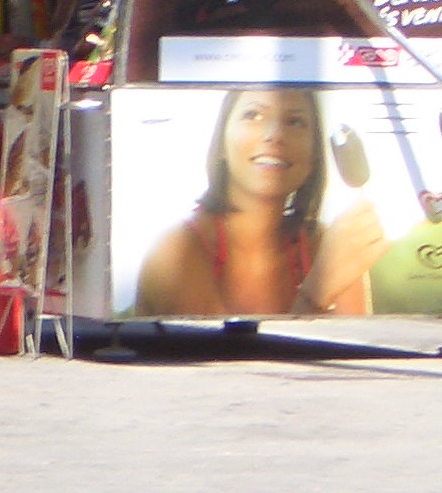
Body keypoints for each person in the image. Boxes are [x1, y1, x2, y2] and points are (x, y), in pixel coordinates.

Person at [132, 87, 387, 319]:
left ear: (314, 156)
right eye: (253, 115)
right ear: (221, 145)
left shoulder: (327, 245)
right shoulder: (177, 250)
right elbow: (223, 356)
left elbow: (355, 350)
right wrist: (318, 290)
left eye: (294, 121)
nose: (275, 135)